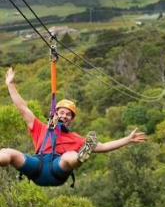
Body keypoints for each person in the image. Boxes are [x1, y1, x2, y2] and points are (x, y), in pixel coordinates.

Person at [0, 67, 147, 187]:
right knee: (8, 153)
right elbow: (23, 108)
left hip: (58, 169)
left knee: (69, 156)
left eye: (68, 115)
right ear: (55, 114)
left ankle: (80, 157)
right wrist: (10, 85)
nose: (64, 116)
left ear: (71, 120)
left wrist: (127, 140)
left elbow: (103, 147)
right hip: (37, 166)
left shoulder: (75, 138)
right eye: (61, 112)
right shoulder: (40, 128)